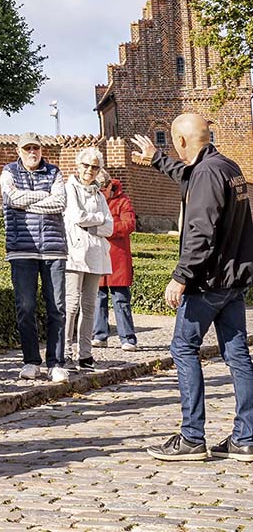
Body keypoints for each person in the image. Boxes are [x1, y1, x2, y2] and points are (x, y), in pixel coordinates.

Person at [133, 114, 253, 461]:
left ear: (182, 141)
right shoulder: (225, 167)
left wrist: (181, 276)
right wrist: (157, 159)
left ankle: (191, 437)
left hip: (208, 282)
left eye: (172, 143)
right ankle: (246, 437)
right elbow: (190, 177)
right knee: (237, 355)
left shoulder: (207, 173)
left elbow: (201, 231)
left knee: (183, 348)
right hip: (233, 280)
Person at [0, 132, 70, 384]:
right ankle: (31, 360)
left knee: (57, 308)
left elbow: (60, 202)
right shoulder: (8, 172)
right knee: (25, 307)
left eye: (36, 148)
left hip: (53, 248)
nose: (32, 152)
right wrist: (43, 197)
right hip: (22, 248)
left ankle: (57, 362)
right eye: (27, 148)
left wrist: (26, 204)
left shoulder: (54, 172)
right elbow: (11, 198)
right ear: (19, 150)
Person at [64, 147, 112, 370]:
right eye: (86, 165)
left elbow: (110, 227)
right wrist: (98, 220)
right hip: (74, 253)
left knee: (89, 306)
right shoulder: (69, 189)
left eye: (94, 167)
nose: (89, 170)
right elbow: (77, 217)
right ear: (78, 165)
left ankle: (85, 353)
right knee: (71, 305)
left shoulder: (99, 194)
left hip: (95, 254)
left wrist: (96, 224)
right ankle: (65, 352)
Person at [92, 169, 139, 351]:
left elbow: (129, 224)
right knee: (98, 298)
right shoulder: (93, 198)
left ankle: (128, 338)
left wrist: (106, 228)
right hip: (98, 255)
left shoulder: (123, 201)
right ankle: (100, 335)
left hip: (117, 258)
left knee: (120, 299)